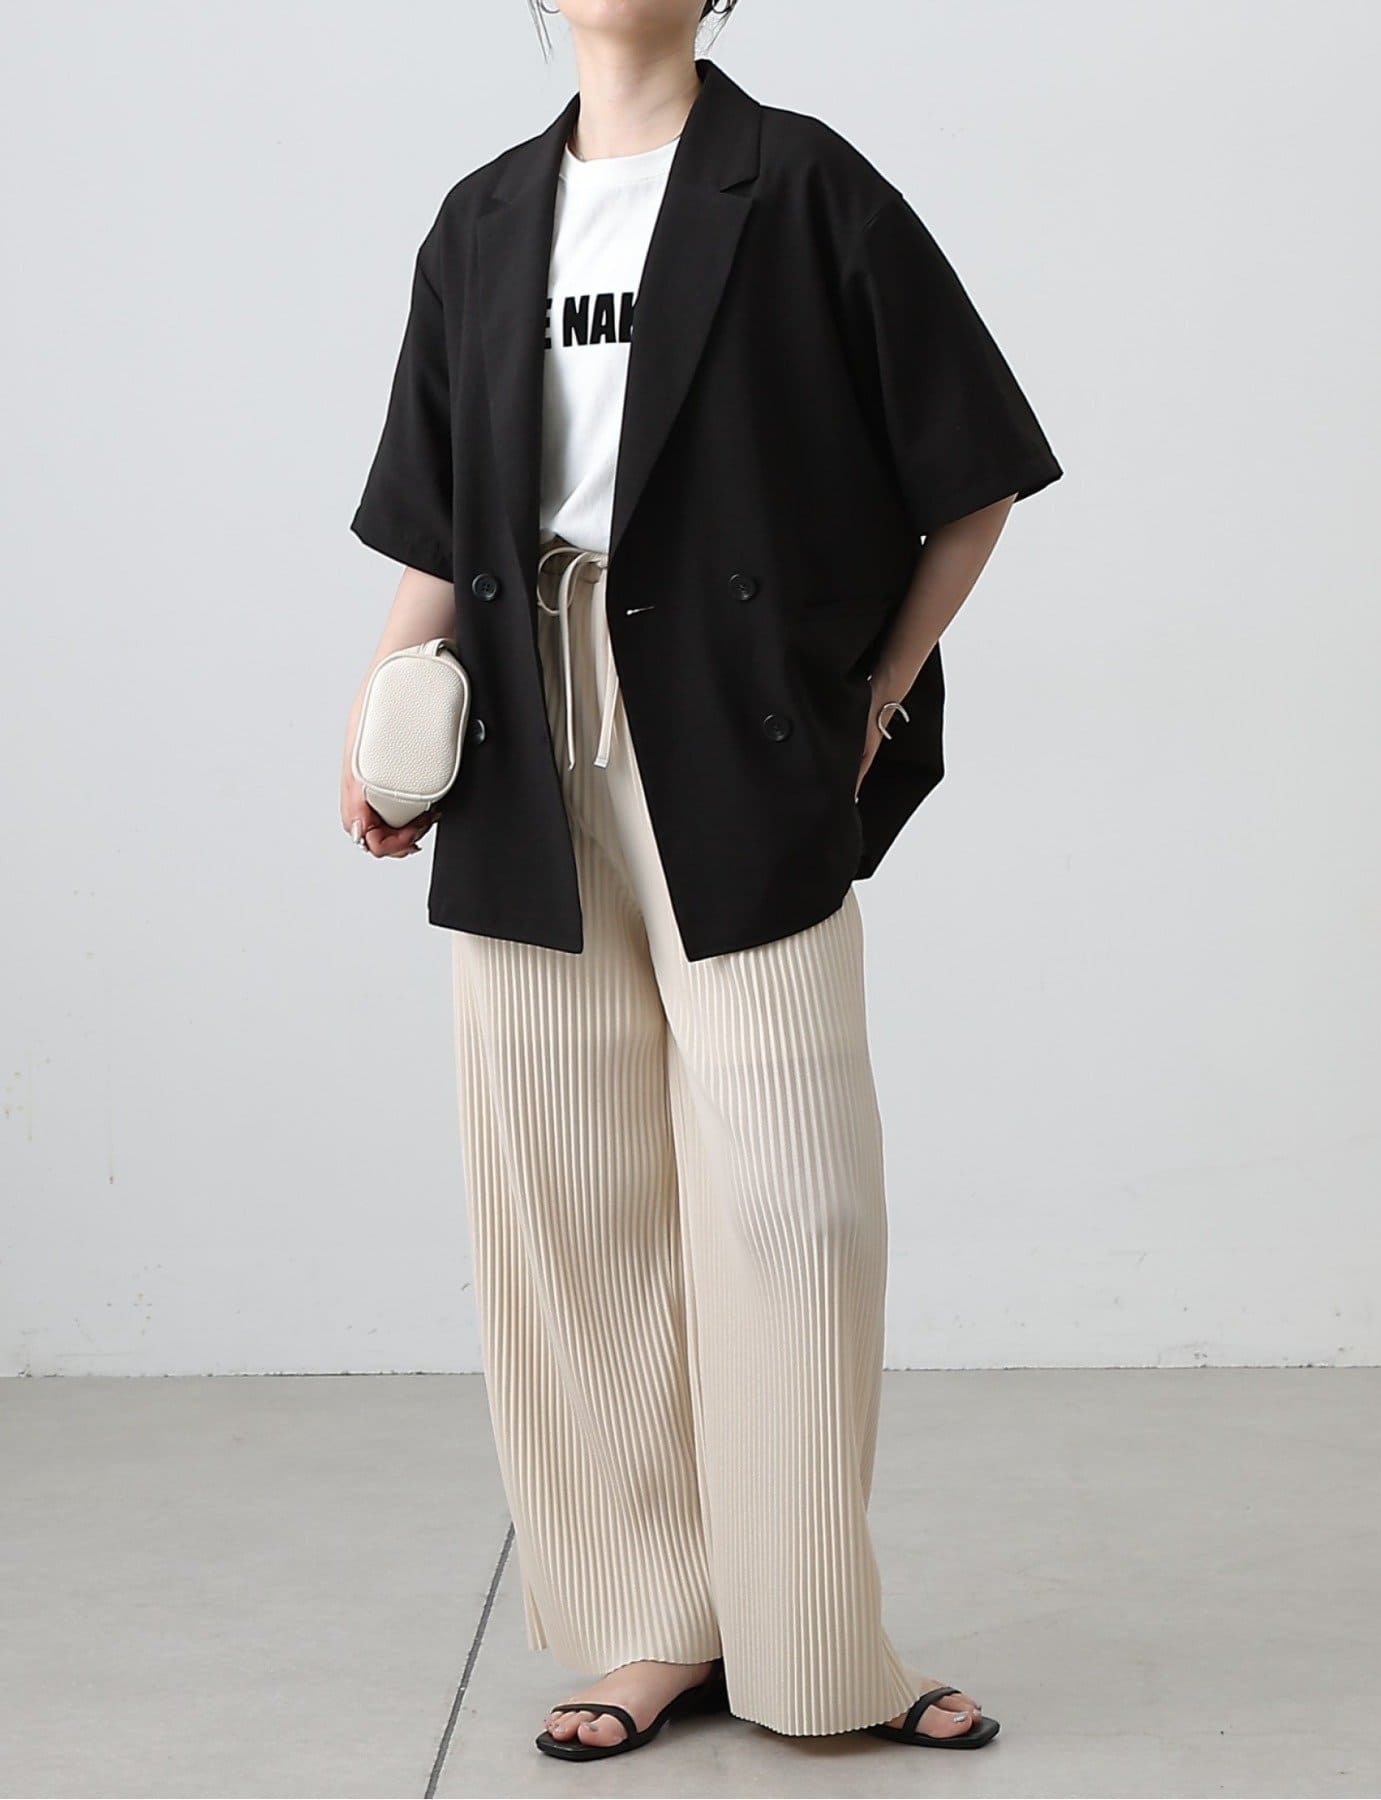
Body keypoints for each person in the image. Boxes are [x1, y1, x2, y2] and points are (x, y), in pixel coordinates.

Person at [341, 0, 1062, 1763]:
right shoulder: (482, 221)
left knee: (796, 1205)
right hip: (520, 741)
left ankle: (823, 1648)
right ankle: (652, 1624)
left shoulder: (801, 186)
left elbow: (974, 473)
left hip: (736, 735)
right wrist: (376, 714)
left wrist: (874, 693)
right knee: (570, 1198)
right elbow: (440, 520)